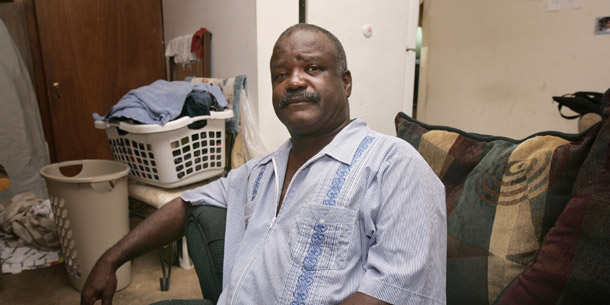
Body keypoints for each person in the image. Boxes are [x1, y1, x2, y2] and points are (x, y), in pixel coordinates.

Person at [80, 23, 447, 305]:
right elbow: (185, 204)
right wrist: (111, 259)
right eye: (280, 74)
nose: (294, 81)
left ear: (345, 82)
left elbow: (396, 294)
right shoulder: (259, 173)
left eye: (313, 68)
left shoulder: (393, 165)